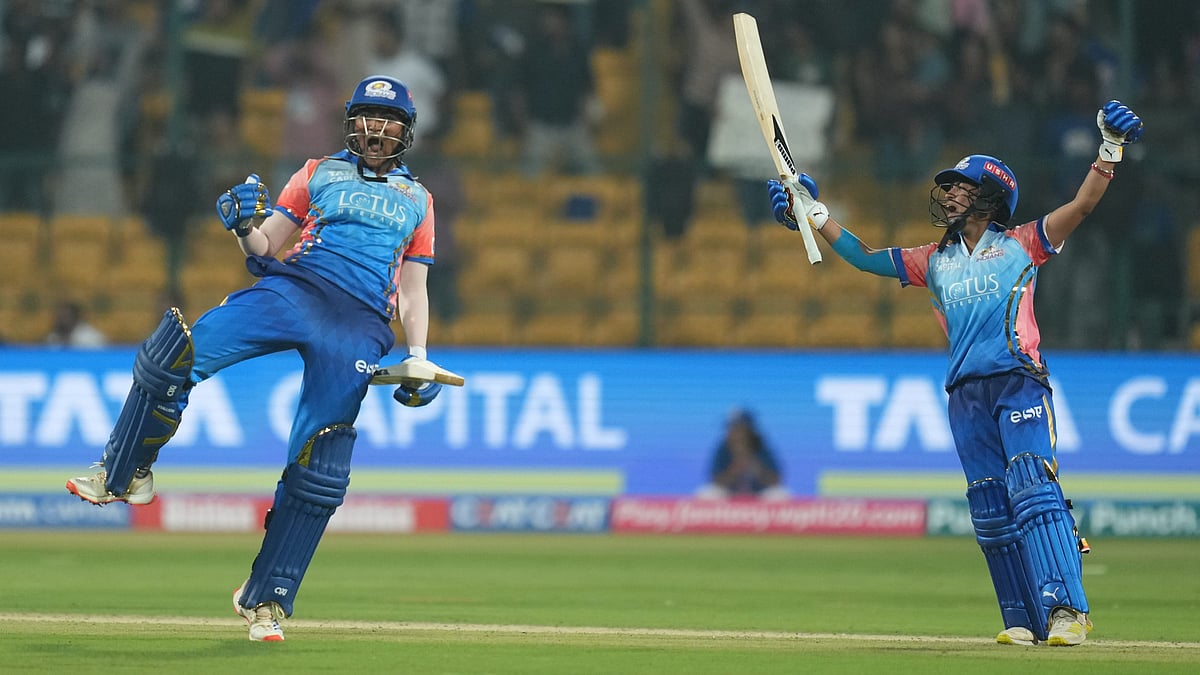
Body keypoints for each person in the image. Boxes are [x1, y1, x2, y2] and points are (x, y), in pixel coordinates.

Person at [66, 75, 454, 642]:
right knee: (176, 354)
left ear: (405, 130)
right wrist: (244, 225)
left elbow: (414, 289)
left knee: (319, 466)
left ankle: (266, 599)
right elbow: (266, 246)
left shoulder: (419, 199)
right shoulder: (317, 172)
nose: (375, 127)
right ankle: (125, 472)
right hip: (292, 290)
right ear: (352, 121)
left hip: (361, 322)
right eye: (367, 116)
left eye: (387, 119)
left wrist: (418, 355)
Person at [765, 100, 1143, 647]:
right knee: (990, 508)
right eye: (949, 187)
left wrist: (1110, 148)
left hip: (1018, 380)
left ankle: (1067, 611)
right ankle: (1023, 619)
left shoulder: (1022, 244)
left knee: (1034, 489)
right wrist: (812, 211)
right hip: (965, 394)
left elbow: (1082, 206)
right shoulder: (933, 259)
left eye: (962, 187)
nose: (949, 194)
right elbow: (866, 256)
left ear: (991, 198)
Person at [695, 409, 788, 500]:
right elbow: (715, 481)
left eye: (738, 427)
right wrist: (735, 469)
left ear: (749, 429)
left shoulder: (761, 445)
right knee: (706, 494)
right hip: (729, 494)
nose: (734, 432)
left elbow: (776, 480)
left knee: (779, 495)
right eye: (730, 427)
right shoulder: (723, 447)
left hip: (758, 494)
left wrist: (755, 466)